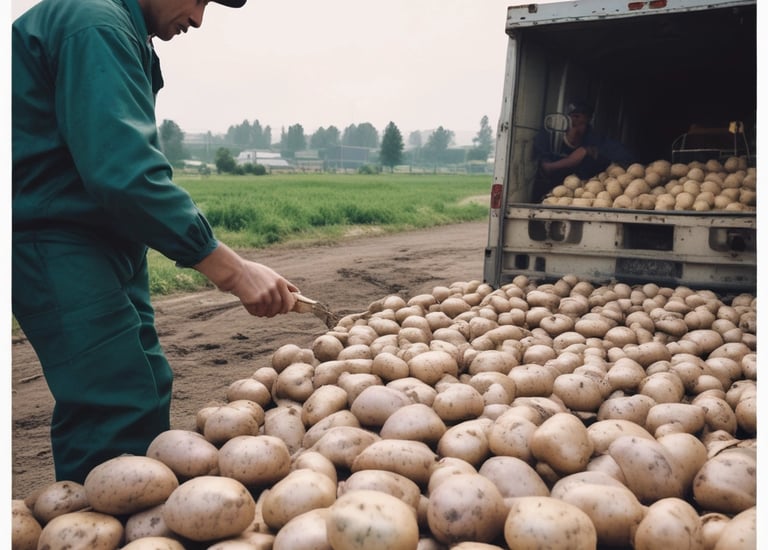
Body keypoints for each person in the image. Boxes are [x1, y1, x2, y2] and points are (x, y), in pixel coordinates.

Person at [12, 0, 300, 484]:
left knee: (145, 381)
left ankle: (137, 520)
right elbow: (124, 174)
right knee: (115, 398)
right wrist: (235, 272)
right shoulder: (94, 23)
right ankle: (93, 525)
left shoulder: (120, 28)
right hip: (55, 237)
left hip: (105, 238)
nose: (199, 18)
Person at [531, 100, 634, 202]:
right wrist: (569, 160)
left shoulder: (594, 140)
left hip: (582, 196)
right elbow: (544, 166)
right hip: (550, 195)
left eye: (583, 122)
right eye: (574, 117)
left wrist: (588, 152)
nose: (576, 124)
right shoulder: (550, 134)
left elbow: (627, 159)